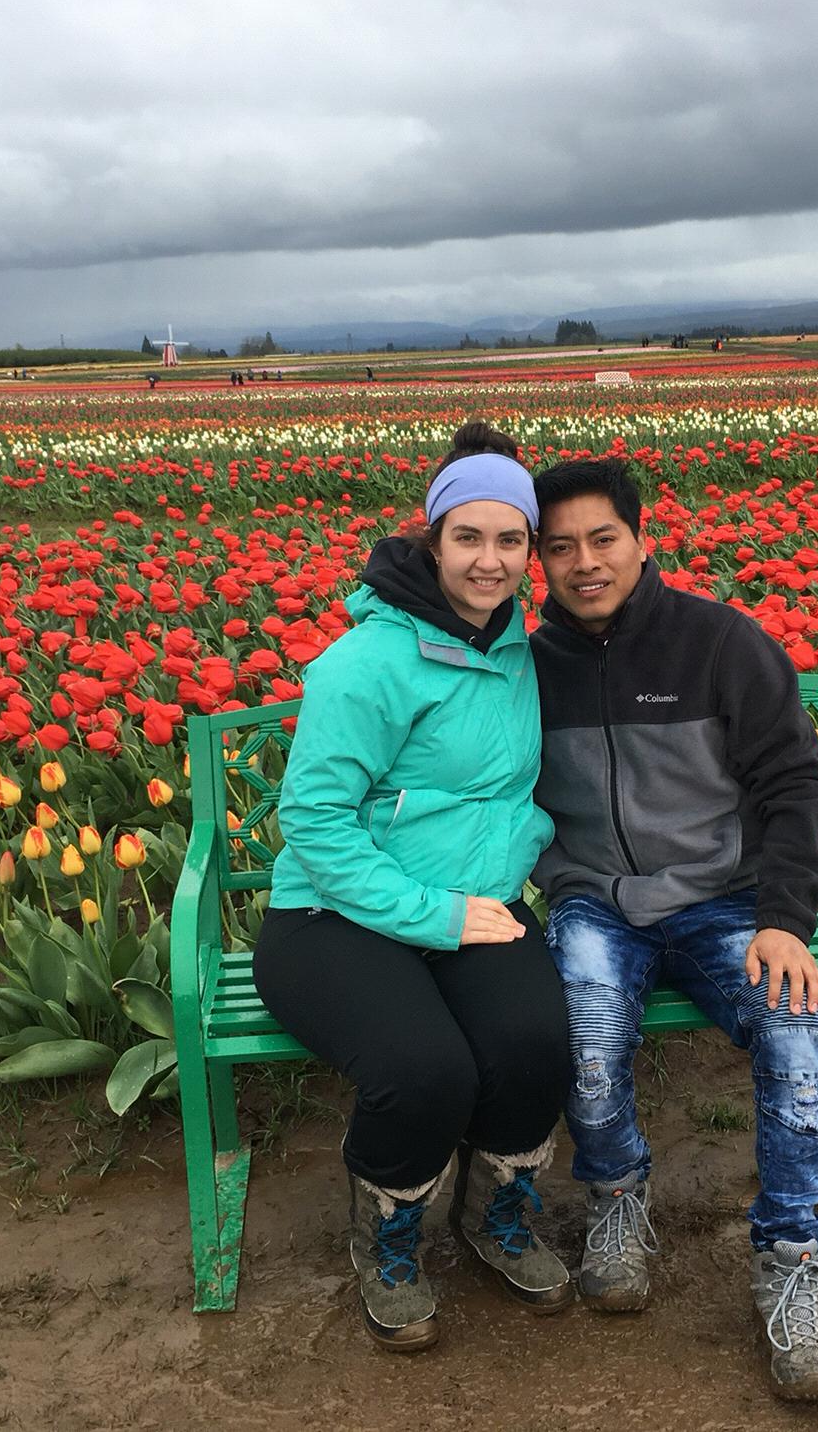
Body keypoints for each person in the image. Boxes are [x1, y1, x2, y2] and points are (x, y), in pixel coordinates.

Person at [528, 457, 818, 1403]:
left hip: (723, 901)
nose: (585, 562)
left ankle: (791, 1258)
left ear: (641, 539)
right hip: (595, 898)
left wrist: (787, 920)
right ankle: (618, 1200)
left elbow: (796, 785)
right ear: (539, 560)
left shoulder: (718, 644)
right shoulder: (527, 664)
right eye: (560, 547)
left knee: (792, 1025)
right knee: (583, 1029)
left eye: (603, 539)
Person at [252, 421, 573, 1353]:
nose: (489, 560)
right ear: (431, 539)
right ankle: (388, 1239)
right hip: (331, 916)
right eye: (468, 538)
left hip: (471, 907)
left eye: (509, 539)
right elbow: (312, 825)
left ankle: (493, 1216)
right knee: (425, 1068)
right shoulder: (368, 663)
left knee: (536, 1039)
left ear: (529, 548)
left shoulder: (521, 649)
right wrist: (430, 914)